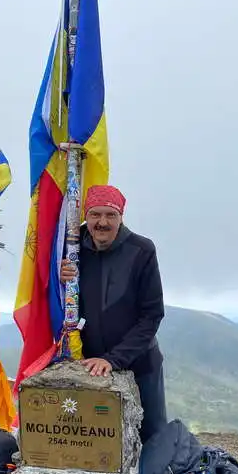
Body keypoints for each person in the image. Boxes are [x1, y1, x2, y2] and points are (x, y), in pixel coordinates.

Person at [59, 184, 167, 443]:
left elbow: (152, 314)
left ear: (121, 217)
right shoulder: (71, 248)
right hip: (89, 363)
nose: (102, 222)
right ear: (86, 215)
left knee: (151, 437)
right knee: (99, 440)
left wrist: (113, 359)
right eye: (95, 214)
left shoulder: (142, 251)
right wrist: (58, 278)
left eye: (111, 215)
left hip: (140, 364)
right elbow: (54, 298)